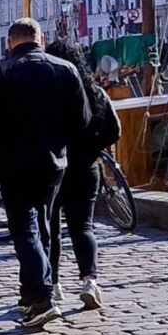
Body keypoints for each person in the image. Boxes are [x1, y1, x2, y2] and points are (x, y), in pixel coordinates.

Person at [0, 18, 90, 330]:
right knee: (45, 226)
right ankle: (31, 294)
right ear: (40, 38)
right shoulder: (65, 70)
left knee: (25, 230)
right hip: (53, 163)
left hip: (13, 164)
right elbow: (82, 121)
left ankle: (41, 297)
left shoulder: (1, 73)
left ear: (10, 43)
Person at [45, 38, 120, 311]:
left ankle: (53, 286)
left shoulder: (49, 96)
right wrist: (93, 147)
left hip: (54, 166)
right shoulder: (95, 92)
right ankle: (90, 281)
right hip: (86, 168)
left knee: (51, 228)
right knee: (83, 227)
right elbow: (115, 129)